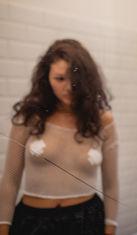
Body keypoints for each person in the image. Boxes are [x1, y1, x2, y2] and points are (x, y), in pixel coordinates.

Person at [0, 39, 119, 235]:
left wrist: (110, 228)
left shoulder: (102, 121)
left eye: (76, 80)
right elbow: (10, 180)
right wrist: (3, 228)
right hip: (33, 222)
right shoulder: (29, 116)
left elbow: (111, 183)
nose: (69, 87)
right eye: (59, 79)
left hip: (87, 221)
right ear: (46, 78)